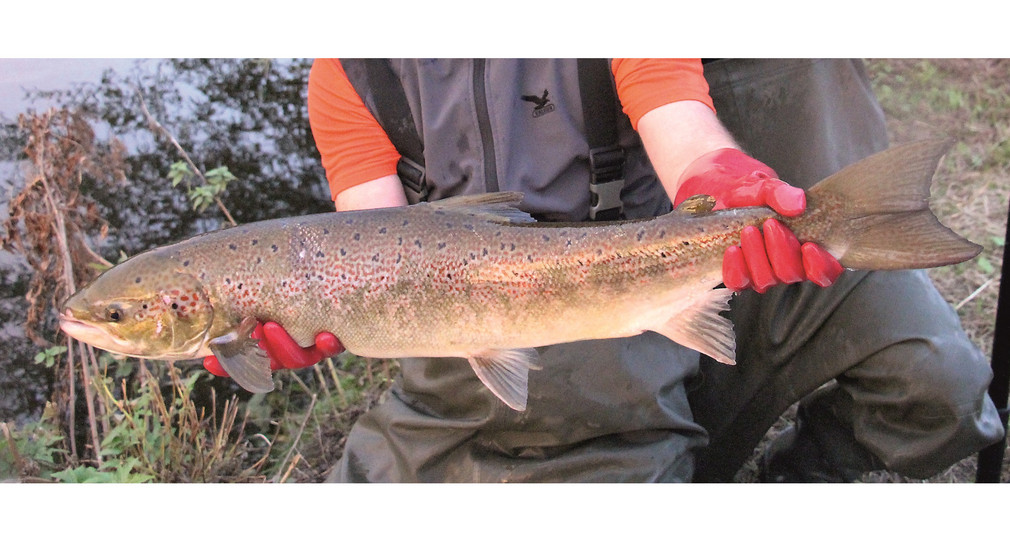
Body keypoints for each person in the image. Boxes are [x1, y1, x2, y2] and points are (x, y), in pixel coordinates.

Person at [204, 59, 1003, 482]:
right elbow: (366, 239)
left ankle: (796, 486)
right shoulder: (348, 70)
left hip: (643, 280)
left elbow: (681, 126)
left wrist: (722, 178)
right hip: (471, 331)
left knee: (941, 380)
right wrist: (308, 313)